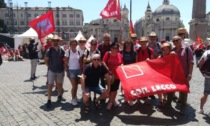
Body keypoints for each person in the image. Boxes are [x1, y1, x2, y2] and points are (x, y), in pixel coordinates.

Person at [166, 36, 194, 115]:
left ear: (180, 40)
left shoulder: (187, 50)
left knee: (183, 91)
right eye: (173, 41)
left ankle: (182, 107)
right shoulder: (172, 50)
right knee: (171, 89)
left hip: (184, 74)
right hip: (174, 74)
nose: (175, 42)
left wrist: (190, 74)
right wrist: (170, 55)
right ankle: (168, 104)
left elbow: (191, 63)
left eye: (176, 40)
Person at [44, 35, 65, 108]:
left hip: (60, 70)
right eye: (54, 41)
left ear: (59, 42)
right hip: (52, 70)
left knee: (60, 84)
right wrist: (49, 67)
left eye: (57, 41)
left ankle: (59, 96)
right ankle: (49, 100)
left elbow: (64, 59)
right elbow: (46, 60)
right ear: (52, 42)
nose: (55, 42)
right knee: (50, 85)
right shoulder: (49, 50)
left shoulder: (62, 50)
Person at [103, 42, 123, 110]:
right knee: (111, 90)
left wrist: (121, 66)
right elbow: (103, 62)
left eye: (116, 48)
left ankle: (112, 101)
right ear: (111, 48)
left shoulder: (120, 55)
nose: (115, 49)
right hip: (110, 75)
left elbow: (122, 63)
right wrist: (108, 70)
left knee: (115, 89)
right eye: (113, 48)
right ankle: (110, 103)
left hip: (117, 75)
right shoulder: (107, 54)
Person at [121, 38, 138, 106]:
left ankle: (130, 99)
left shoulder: (135, 52)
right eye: (127, 44)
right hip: (124, 70)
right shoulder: (122, 52)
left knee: (131, 86)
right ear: (125, 45)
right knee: (125, 86)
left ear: (132, 45)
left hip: (132, 71)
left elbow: (136, 62)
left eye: (130, 44)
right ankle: (126, 98)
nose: (128, 45)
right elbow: (121, 61)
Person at [64, 39, 81, 106]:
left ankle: (75, 97)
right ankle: (73, 99)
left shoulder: (78, 51)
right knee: (74, 86)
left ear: (76, 45)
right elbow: (65, 62)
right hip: (71, 70)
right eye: (72, 44)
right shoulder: (68, 51)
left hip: (78, 70)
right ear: (70, 45)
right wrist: (67, 71)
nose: (74, 45)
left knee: (76, 86)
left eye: (75, 44)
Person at [198, 46, 210, 116]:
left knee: (205, 93)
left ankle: (201, 109)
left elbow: (200, 64)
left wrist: (202, 73)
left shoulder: (207, 52)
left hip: (208, 76)